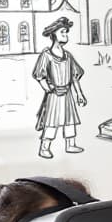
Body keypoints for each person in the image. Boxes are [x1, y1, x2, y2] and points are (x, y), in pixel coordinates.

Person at [31, 16, 88, 159]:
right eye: (62, 32)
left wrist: (79, 94)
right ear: (54, 34)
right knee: (51, 121)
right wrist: (49, 89)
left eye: (66, 32)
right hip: (54, 95)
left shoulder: (68, 56)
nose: (65, 35)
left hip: (67, 93)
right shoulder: (47, 55)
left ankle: (70, 144)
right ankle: (45, 147)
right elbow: (39, 75)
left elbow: (74, 76)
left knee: (70, 120)